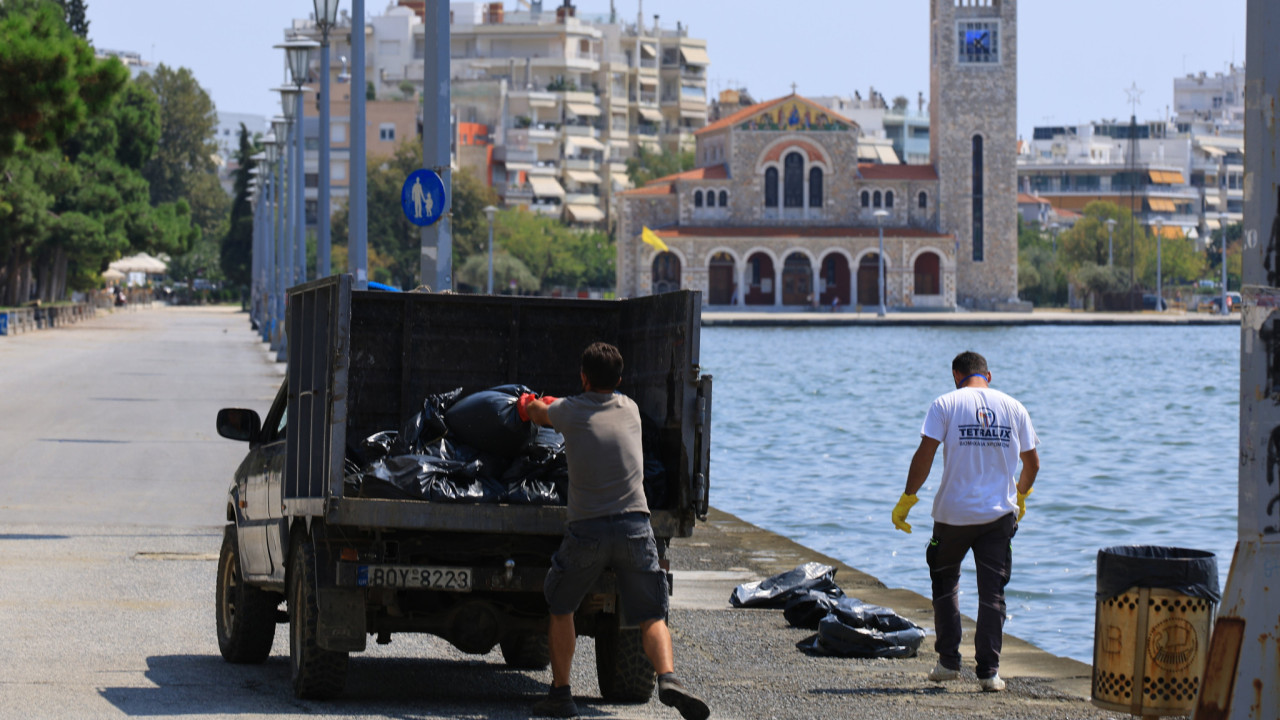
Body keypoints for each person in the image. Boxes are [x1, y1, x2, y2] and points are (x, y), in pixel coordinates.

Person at [519, 342, 710, 720]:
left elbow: (539, 413)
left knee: (561, 606)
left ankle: (560, 694)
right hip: (636, 527)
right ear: (620, 380)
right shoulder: (631, 409)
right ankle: (668, 678)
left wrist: (525, 402)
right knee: (652, 613)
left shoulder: (569, 412)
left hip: (587, 530)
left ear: (583, 377)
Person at [892, 350, 1040, 693]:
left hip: (952, 516)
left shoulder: (945, 404)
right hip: (998, 517)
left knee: (945, 583)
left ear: (955, 375)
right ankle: (989, 673)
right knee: (993, 593)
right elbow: (1032, 463)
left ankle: (948, 663)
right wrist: (1020, 495)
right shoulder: (1014, 407)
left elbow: (924, 455)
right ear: (988, 375)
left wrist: (907, 499)